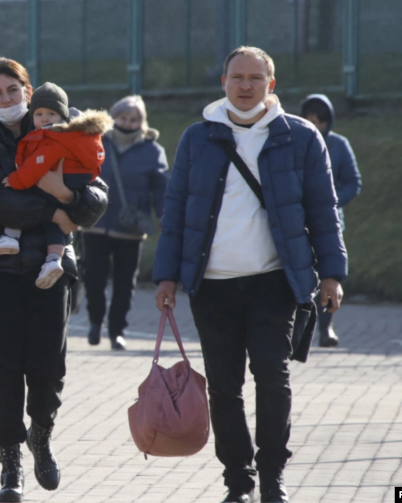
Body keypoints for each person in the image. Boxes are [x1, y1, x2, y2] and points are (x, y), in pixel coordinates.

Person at [152, 46, 347, 503]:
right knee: (223, 386)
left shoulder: (299, 137)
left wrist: (332, 274)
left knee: (272, 375)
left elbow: (324, 211)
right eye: (236, 77)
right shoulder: (197, 138)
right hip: (212, 284)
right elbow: (176, 212)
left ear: (270, 85)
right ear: (223, 83)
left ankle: (273, 476)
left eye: (255, 78)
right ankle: (238, 482)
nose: (245, 85)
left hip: (273, 282)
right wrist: (166, 278)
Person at [0, 58, 109, 503]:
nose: (6, 99)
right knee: (2, 368)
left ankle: (41, 433)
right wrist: (58, 210)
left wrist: (70, 198)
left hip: (49, 267)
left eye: (13, 90)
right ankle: (9, 462)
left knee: (48, 366)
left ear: (28, 89)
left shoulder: (63, 126)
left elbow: (97, 193)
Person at [0, 81, 111, 288]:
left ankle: (10, 236)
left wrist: (15, 180)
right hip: (73, 183)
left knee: (25, 196)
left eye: (51, 114)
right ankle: (53, 260)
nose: (44, 118)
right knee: (53, 224)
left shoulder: (55, 138)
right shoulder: (78, 137)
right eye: (39, 114)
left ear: (62, 117)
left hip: (60, 181)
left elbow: (36, 166)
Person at [80, 95, 169, 351]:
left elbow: (162, 188)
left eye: (134, 119)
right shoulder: (96, 140)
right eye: (122, 117)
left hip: (130, 229)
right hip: (94, 223)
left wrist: (164, 216)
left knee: (124, 284)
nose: (127, 123)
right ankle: (95, 323)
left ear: (142, 122)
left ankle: (117, 331)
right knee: (93, 277)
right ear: (113, 116)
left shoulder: (153, 151)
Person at [300, 93, 361, 348]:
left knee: (328, 275)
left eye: (320, 121)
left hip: (329, 223)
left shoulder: (339, 145)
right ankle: (298, 331)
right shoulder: (294, 142)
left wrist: (332, 203)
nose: (315, 125)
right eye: (310, 120)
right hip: (298, 222)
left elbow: (352, 182)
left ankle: (326, 328)